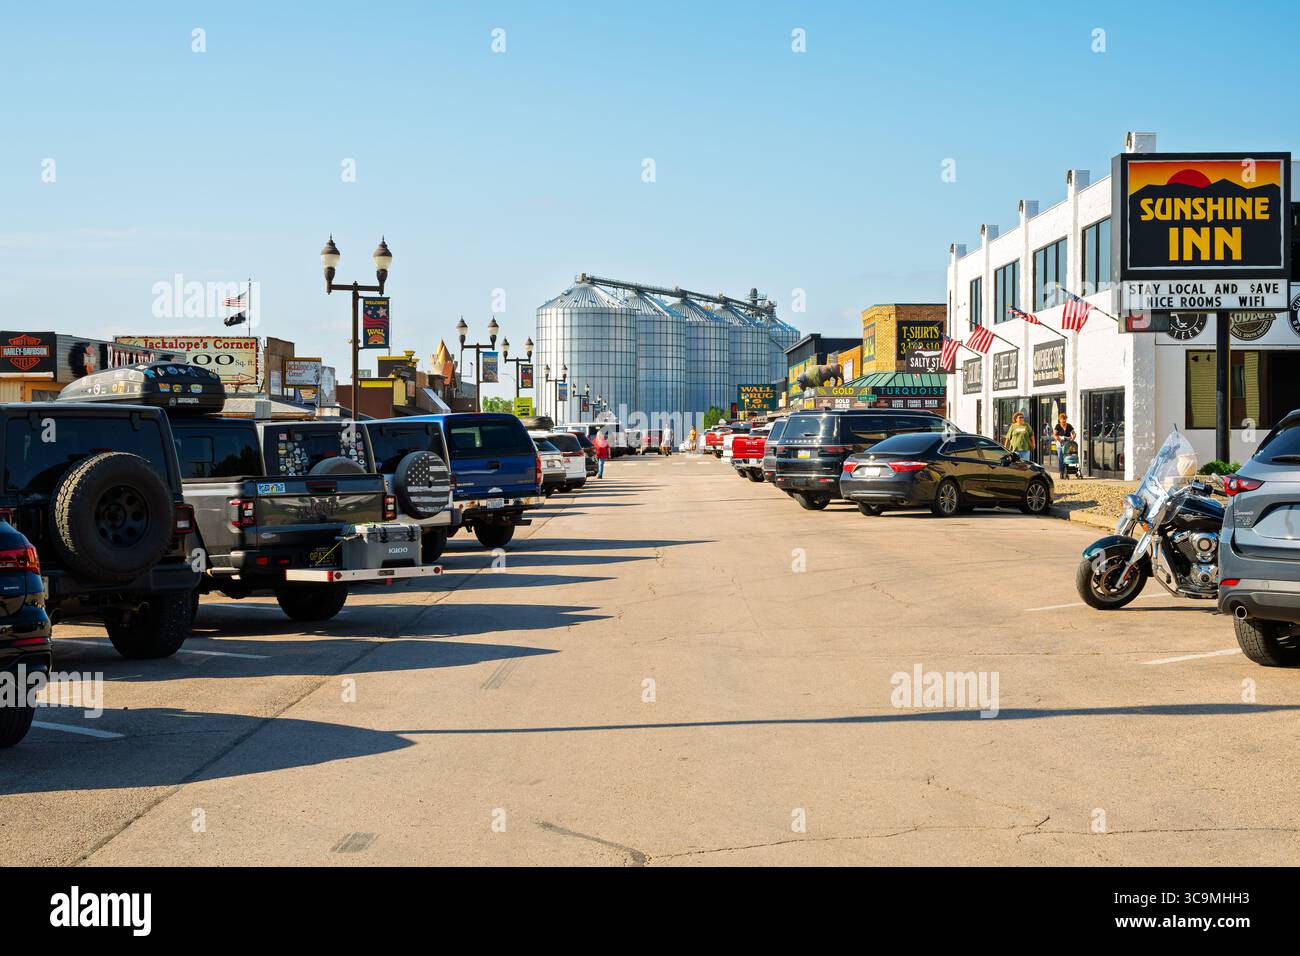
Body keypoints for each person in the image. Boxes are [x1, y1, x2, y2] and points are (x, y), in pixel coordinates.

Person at [1053, 412, 1076, 479]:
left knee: (1068, 458)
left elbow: (1074, 434)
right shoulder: (1057, 426)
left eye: (1065, 419)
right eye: (1062, 419)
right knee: (1061, 458)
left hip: (1068, 444)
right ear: (1059, 419)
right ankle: (1061, 472)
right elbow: (1054, 434)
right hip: (1060, 444)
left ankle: (1068, 471)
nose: (1064, 420)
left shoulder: (1069, 426)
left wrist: (1072, 440)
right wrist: (1059, 439)